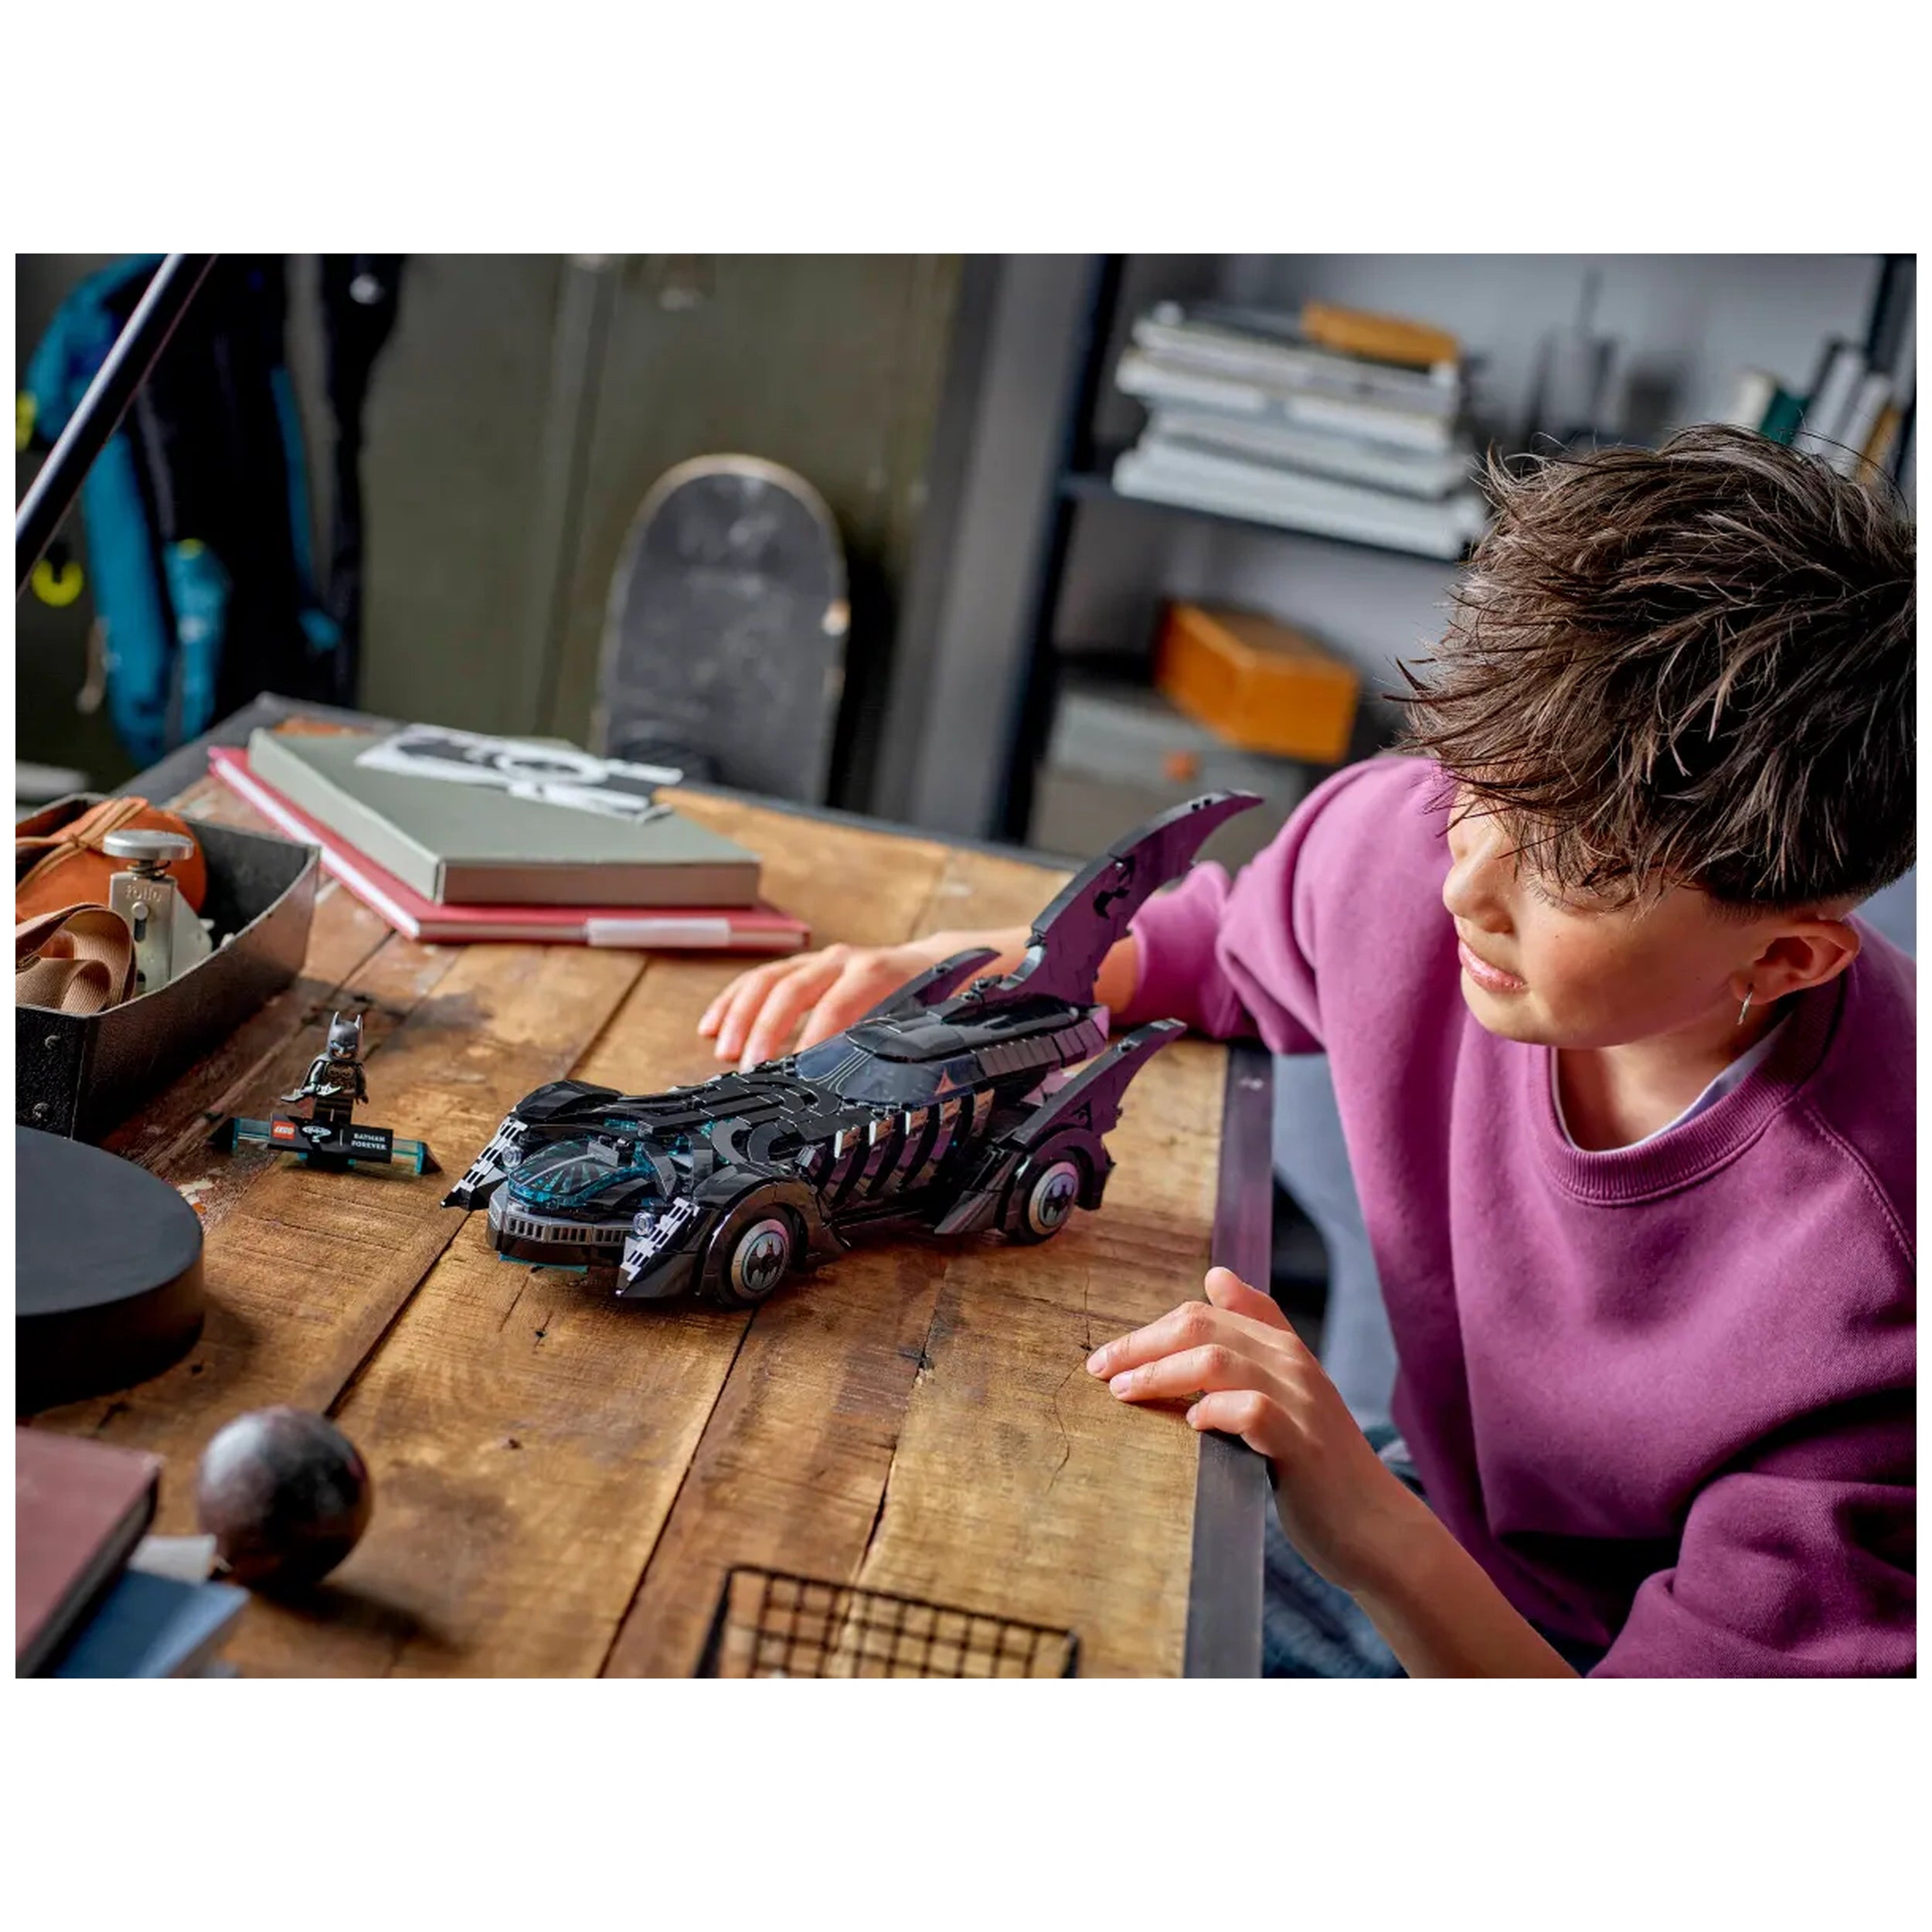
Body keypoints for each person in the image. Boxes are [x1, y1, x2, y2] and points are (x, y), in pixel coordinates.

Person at [697, 427, 1916, 1677]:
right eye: (1477, 787)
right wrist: (1005, 972)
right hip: (1410, 1517)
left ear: (1782, 962)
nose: (1464, 888)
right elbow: (1225, 944)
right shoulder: (1415, 846)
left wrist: (1364, 1522)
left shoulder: (1880, 1294)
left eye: (1577, 870)